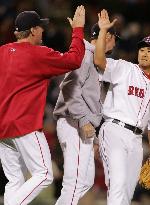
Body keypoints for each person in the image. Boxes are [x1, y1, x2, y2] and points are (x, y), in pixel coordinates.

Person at [0, 6, 86, 205]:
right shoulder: (37, 53)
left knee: (15, 180)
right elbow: (74, 60)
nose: (43, 30)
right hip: (24, 125)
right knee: (45, 173)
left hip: (3, 128)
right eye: (40, 27)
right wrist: (78, 30)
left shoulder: (2, 52)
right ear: (32, 31)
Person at [94, 9, 150, 205]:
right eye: (142, 49)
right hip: (114, 130)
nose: (143, 53)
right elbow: (99, 61)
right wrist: (102, 31)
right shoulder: (125, 68)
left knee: (127, 190)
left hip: (136, 140)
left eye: (149, 51)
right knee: (117, 184)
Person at [53, 22, 118, 205]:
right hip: (74, 121)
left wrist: (95, 136)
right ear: (107, 37)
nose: (115, 44)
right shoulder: (85, 54)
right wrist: (82, 120)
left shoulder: (94, 58)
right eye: (114, 39)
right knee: (74, 183)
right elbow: (68, 88)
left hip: (80, 124)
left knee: (85, 181)